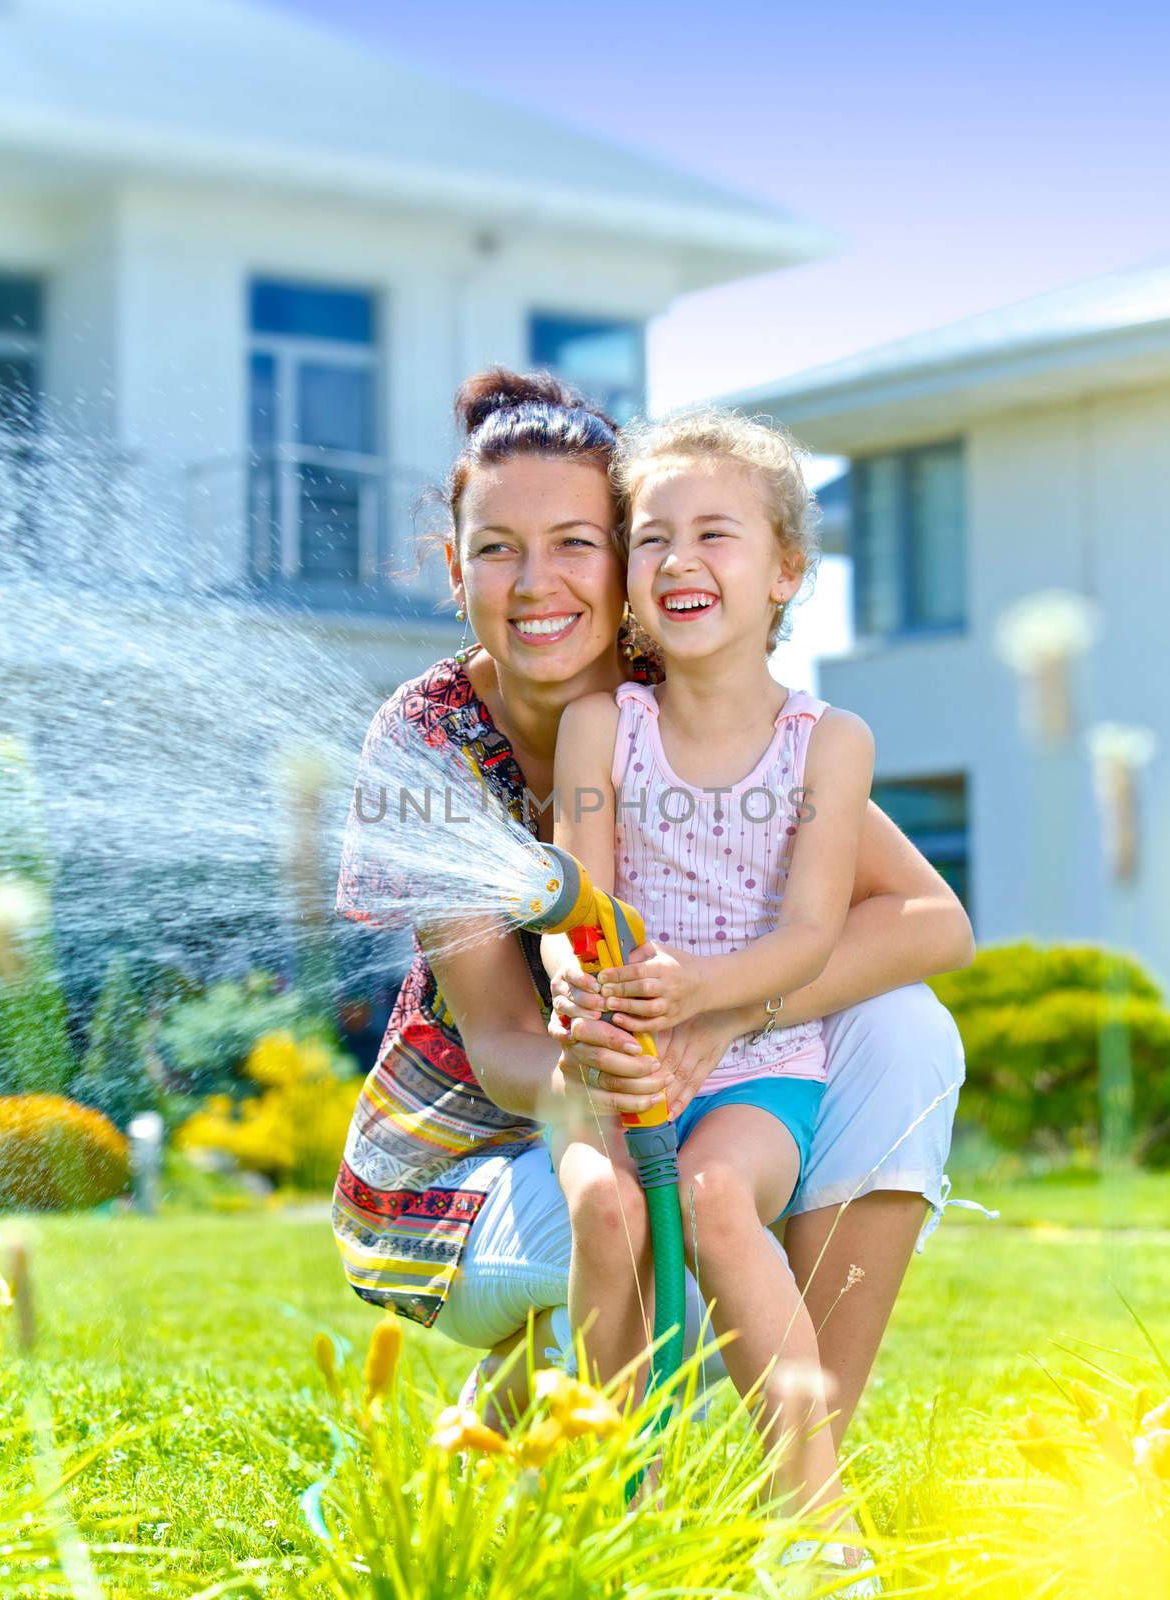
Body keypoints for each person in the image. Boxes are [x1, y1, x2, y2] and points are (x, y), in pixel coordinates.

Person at [332, 368, 976, 1455]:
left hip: (681, 1088)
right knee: (629, 1203)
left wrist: (725, 1020)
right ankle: (558, 1442)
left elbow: (927, 918)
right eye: (496, 548)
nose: (536, 584)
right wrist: (614, 1074)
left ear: (628, 558)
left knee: (907, 1027)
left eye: (577, 542)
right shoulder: (429, 740)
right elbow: (497, 1040)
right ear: (455, 569)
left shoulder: (683, 695)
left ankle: (792, 1476)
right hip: (474, 1161)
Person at [542, 405, 873, 1550]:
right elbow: (570, 905)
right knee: (606, 1202)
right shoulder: (602, 725)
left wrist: (708, 1002)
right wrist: (576, 987)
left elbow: (811, 939)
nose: (678, 560)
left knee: (720, 1198)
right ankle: (603, 1498)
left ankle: (814, 1521)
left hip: (760, 1066)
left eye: (715, 535)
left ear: (785, 571)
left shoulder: (827, 741)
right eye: (651, 538)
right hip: (617, 1059)